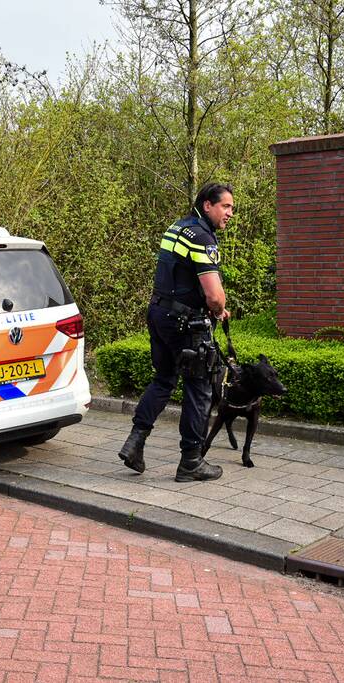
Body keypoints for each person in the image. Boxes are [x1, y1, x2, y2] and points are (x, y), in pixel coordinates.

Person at [118, 182, 233, 482]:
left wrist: (212, 307)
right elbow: (214, 295)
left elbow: (178, 276)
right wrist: (218, 310)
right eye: (226, 206)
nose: (230, 213)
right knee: (199, 388)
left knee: (164, 378)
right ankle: (191, 462)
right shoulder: (203, 238)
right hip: (186, 325)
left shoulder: (177, 227)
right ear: (207, 205)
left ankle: (135, 442)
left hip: (159, 313)